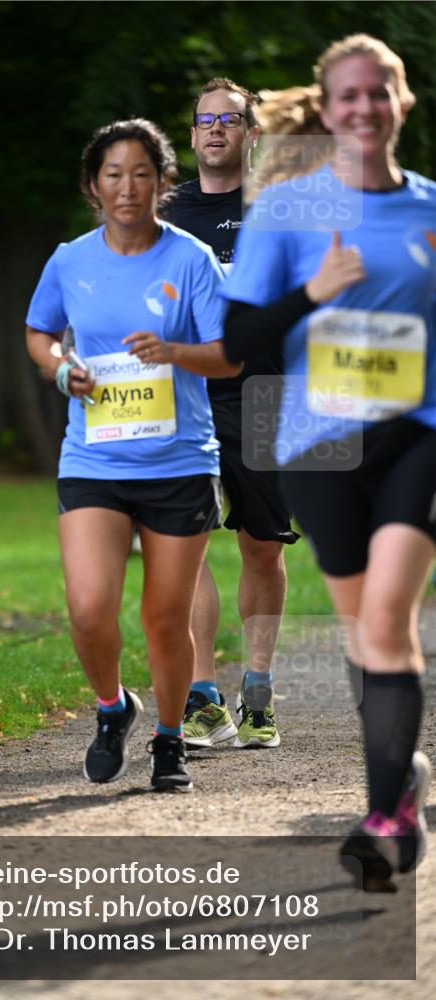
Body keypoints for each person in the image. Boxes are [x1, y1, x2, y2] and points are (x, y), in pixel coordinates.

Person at [220, 35, 435, 887]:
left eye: (377, 92)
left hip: (418, 430)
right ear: (327, 105)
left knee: (385, 617)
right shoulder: (284, 211)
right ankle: (403, 779)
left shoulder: (429, 210)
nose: (362, 108)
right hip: (319, 439)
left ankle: (382, 815)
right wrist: (313, 292)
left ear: (400, 101)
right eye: (347, 96)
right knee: (364, 628)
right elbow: (236, 342)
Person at [25, 119, 241, 792]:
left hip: (179, 463)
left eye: (141, 173)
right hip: (94, 459)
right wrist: (63, 371)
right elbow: (40, 333)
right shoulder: (69, 260)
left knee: (162, 617)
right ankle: (113, 707)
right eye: (113, 175)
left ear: (162, 182)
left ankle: (170, 739)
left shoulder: (189, 261)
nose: (127, 188)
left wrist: (173, 352)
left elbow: (228, 356)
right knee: (89, 609)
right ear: (93, 186)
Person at [164, 78, 300, 752]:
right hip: (183, 395)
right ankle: (201, 698)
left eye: (229, 119)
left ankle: (257, 690)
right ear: (190, 135)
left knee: (260, 547)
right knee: (183, 544)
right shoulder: (160, 213)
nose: (215, 128)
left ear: (251, 133)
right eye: (203, 119)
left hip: (267, 393)